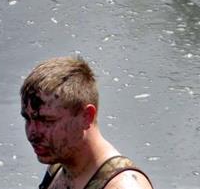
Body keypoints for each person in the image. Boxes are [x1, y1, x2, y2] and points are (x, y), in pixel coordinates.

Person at [20, 56, 153, 189]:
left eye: (47, 121)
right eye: (27, 119)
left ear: (86, 116)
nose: (33, 134)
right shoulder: (58, 167)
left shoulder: (122, 185)